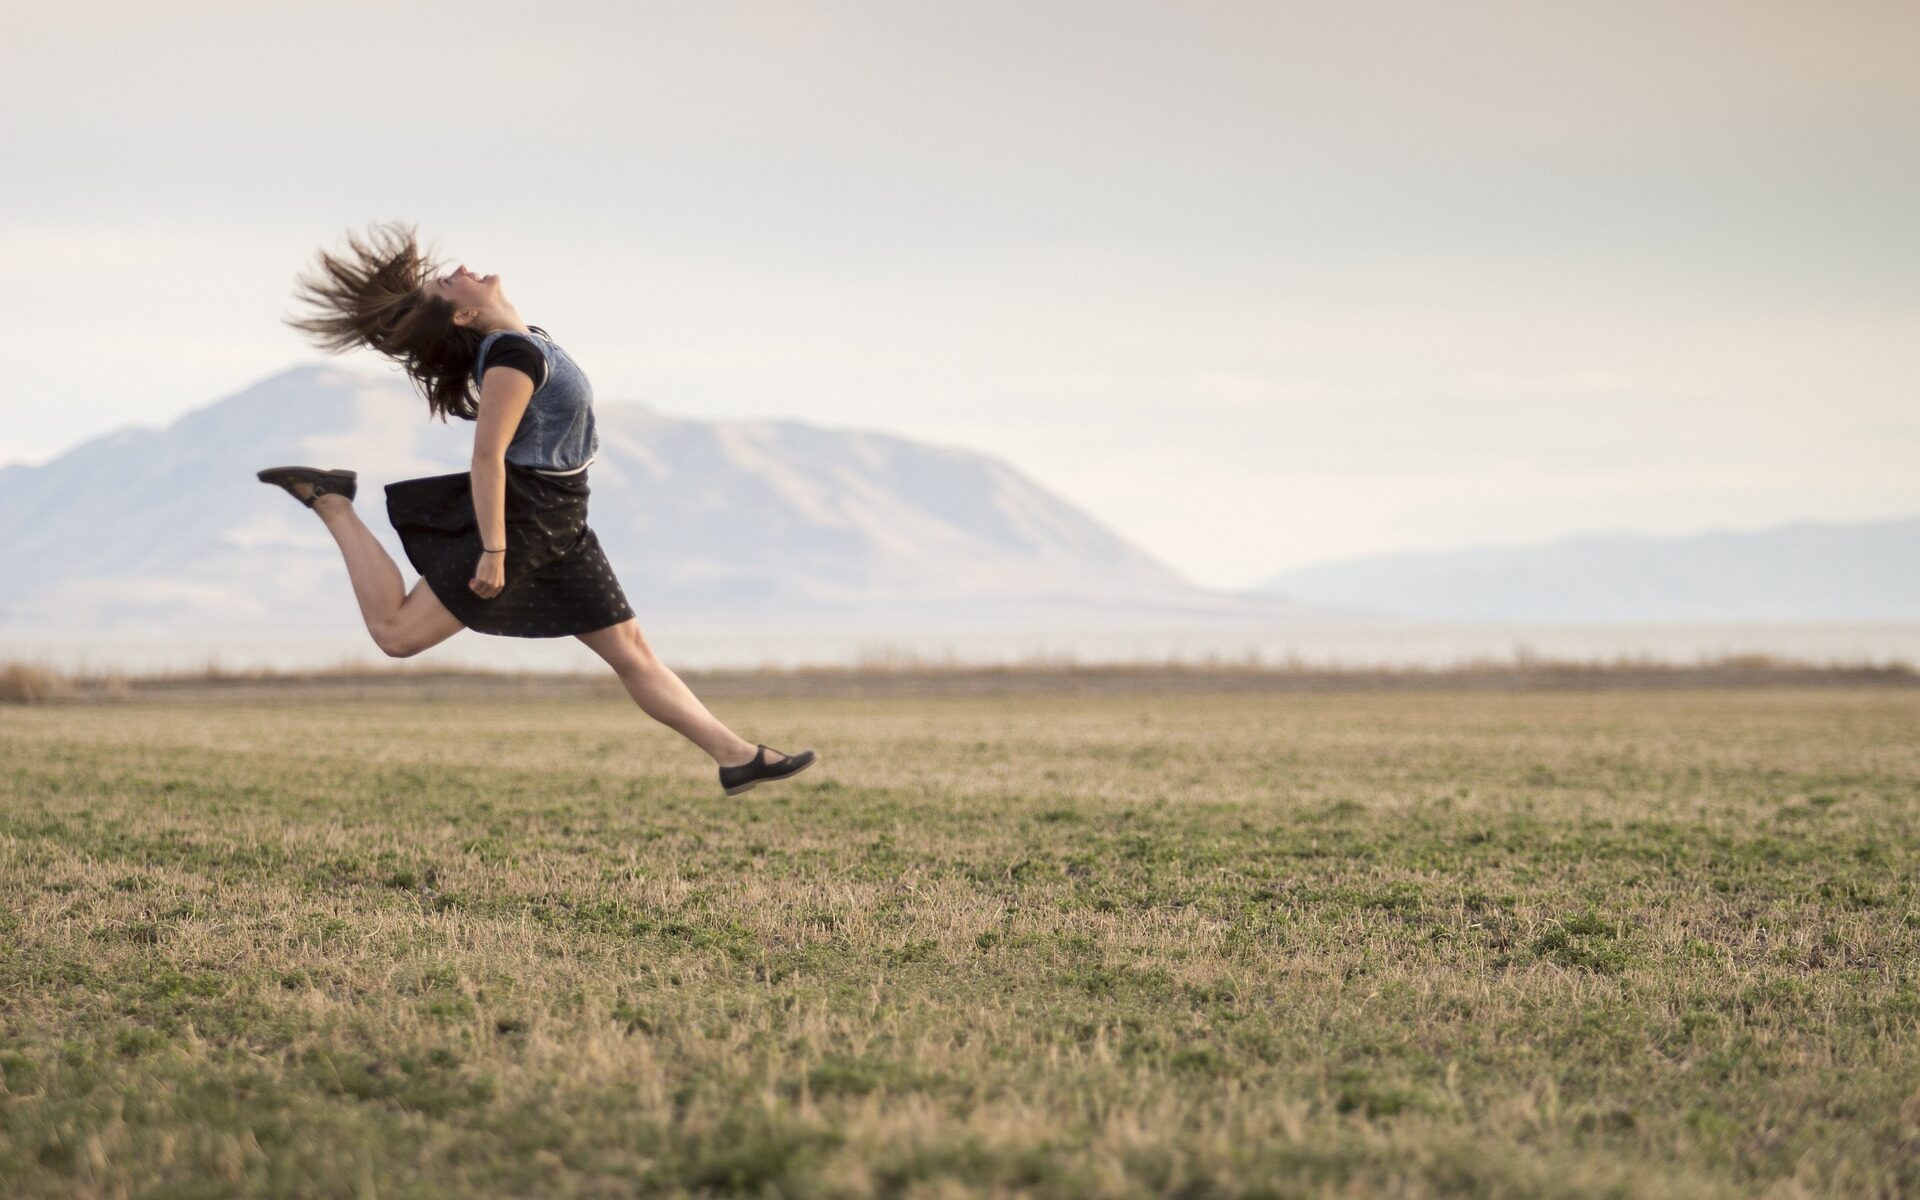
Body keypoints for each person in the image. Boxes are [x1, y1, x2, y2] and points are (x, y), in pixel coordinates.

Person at [262, 220, 814, 797]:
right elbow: (487, 458)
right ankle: (333, 504)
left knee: (631, 650)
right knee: (398, 635)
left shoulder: (527, 340)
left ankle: (737, 757)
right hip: (526, 519)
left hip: (562, 517)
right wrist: (495, 550)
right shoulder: (513, 356)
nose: (460, 271)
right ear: (462, 316)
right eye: (449, 285)